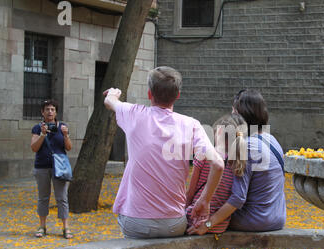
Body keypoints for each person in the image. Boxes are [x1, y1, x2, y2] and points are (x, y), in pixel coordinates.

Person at [103, 66, 224, 239]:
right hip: (174, 223)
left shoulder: (134, 114)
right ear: (177, 96)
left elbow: (109, 102)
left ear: (149, 94)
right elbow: (218, 164)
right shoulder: (191, 125)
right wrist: (204, 201)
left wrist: (114, 93)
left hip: (136, 222)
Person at [187, 89, 286, 235]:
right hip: (277, 217)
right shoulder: (271, 139)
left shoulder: (246, 146)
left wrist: (207, 224)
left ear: (238, 115)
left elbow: (238, 198)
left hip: (253, 220)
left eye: (233, 111)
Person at [185, 113, 248, 234]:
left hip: (194, 219)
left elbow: (190, 193)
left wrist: (182, 213)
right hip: (219, 225)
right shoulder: (238, 163)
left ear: (218, 133)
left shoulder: (204, 155)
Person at [30, 99, 73, 239]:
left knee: (62, 198)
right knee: (43, 198)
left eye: (52, 109)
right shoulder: (37, 128)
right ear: (42, 112)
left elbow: (69, 148)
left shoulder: (63, 127)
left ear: (56, 112)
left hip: (59, 168)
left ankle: (66, 227)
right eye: (47, 109)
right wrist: (43, 134)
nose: (50, 112)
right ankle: (42, 226)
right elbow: (34, 148)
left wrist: (66, 135)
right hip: (42, 166)